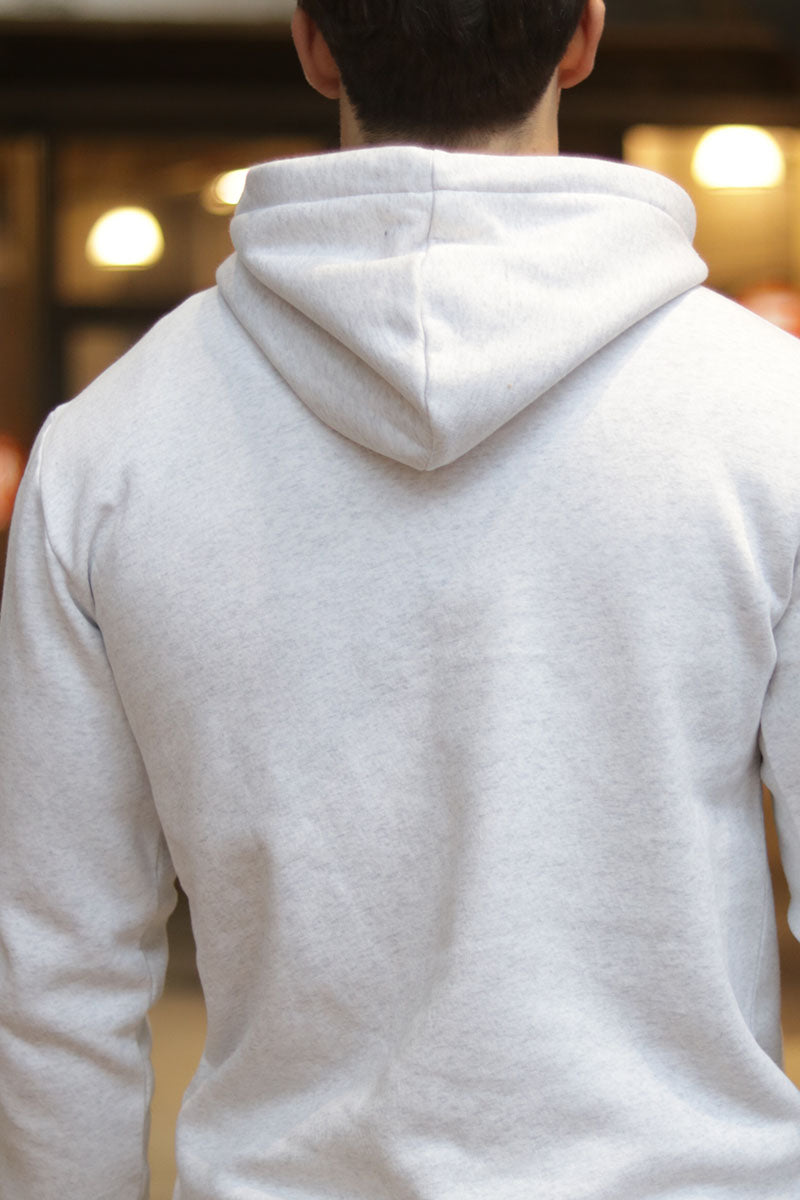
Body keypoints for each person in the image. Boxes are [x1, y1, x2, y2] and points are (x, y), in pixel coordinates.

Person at [2, 1, 800, 1196]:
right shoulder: (770, 417)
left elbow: (57, 967)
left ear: (312, 43)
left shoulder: (106, 450)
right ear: (582, 38)